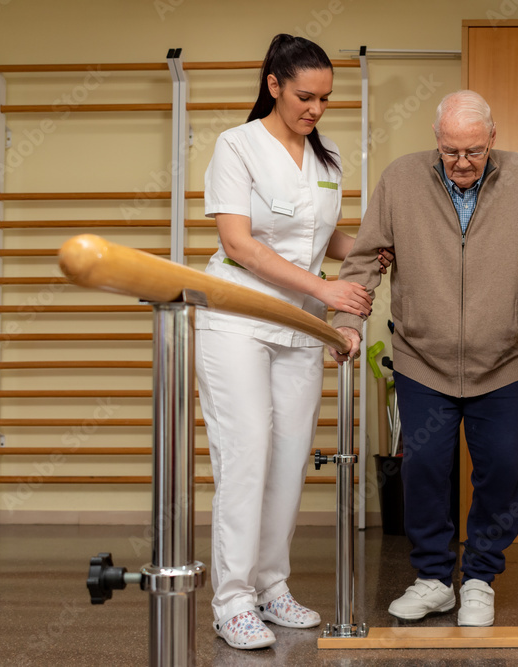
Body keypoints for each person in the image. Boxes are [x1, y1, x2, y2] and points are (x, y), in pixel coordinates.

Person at [331, 90, 518, 627]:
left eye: (474, 152)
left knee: (503, 473)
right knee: (425, 473)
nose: (462, 163)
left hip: (504, 360)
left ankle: (480, 577)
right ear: (436, 140)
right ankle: (435, 579)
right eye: (451, 151)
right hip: (423, 359)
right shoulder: (400, 179)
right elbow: (366, 258)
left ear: (492, 139)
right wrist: (347, 323)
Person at [196, 34, 389, 650]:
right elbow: (241, 244)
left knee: (288, 462)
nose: (315, 109)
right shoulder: (238, 145)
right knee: (246, 451)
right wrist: (330, 294)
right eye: (305, 96)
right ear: (274, 85)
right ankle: (232, 601)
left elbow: (319, 235)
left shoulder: (326, 155)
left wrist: (373, 249)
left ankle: (272, 587)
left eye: (326, 99)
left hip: (301, 324)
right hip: (239, 318)